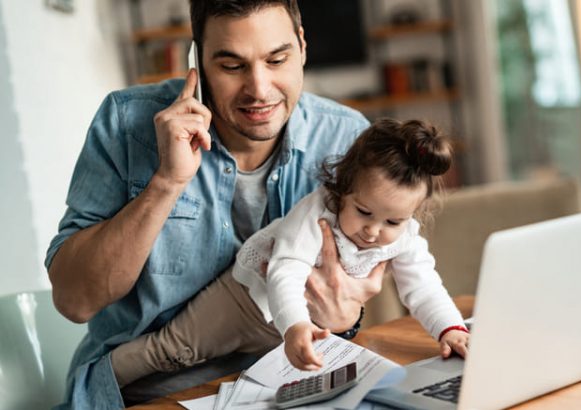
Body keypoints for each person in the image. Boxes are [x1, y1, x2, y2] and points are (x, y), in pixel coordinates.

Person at [45, 1, 385, 408]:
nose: (259, 88)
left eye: (277, 59)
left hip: (293, 382)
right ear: (197, 62)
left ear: (302, 47)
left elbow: (351, 294)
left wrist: (346, 319)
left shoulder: (346, 138)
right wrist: (167, 182)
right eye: (232, 66)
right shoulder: (125, 124)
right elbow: (75, 300)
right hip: (151, 391)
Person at [111, 118, 470, 385]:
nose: (374, 231)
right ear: (343, 189)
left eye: (393, 221)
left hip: (292, 327)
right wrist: (296, 326)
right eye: (363, 212)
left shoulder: (405, 236)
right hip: (245, 300)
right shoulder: (316, 212)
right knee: (172, 351)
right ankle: (104, 377)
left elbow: (423, 286)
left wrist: (449, 330)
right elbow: (286, 270)